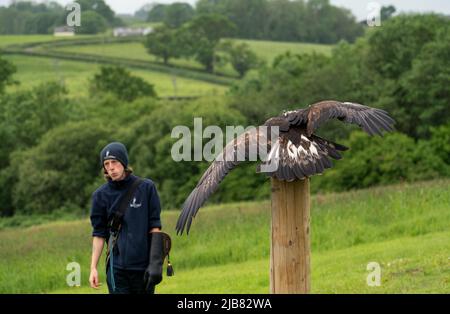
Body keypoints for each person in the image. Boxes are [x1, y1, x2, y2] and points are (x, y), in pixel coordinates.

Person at [89, 142, 162, 294]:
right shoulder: (100, 196)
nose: (110, 167)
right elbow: (99, 234)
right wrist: (93, 267)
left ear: (124, 162)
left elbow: (155, 226)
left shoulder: (147, 188)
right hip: (117, 268)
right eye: (106, 164)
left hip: (144, 267)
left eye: (114, 162)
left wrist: (155, 263)